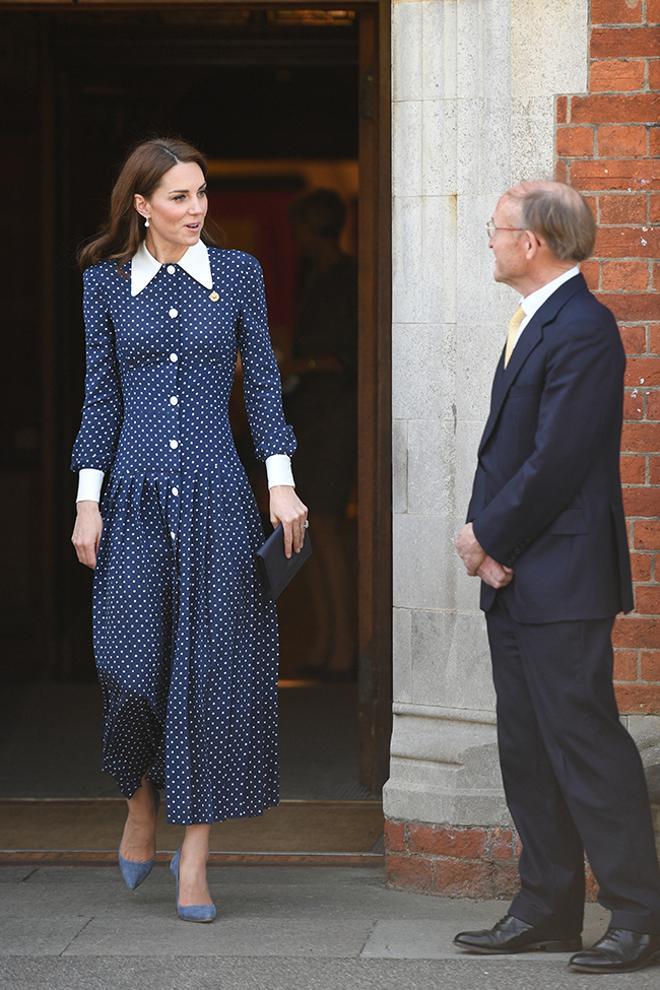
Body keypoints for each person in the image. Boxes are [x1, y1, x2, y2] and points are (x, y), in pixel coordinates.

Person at [70, 137, 307, 923]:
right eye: (177, 197)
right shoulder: (104, 285)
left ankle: (195, 859)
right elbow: (101, 397)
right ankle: (140, 801)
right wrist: (86, 499)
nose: (196, 208)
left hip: (219, 499)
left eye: (201, 193)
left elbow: (266, 387)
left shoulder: (237, 274)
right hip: (132, 500)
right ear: (142, 206)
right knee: (127, 671)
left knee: (211, 677)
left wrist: (282, 485)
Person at [453, 180, 660, 974]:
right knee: (527, 745)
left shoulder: (584, 327)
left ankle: (639, 914)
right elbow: (510, 452)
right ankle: (546, 907)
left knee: (586, 744)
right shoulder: (534, 320)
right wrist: (492, 547)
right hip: (519, 572)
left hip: (562, 572)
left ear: (533, 241)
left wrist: (486, 536)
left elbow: (558, 460)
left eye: (498, 228)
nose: (491, 239)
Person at [283, 189, 358, 678]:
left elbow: (344, 358)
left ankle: (344, 649)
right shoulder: (315, 275)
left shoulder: (347, 277)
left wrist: (297, 363)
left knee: (324, 525)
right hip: (311, 414)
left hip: (333, 414)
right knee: (313, 529)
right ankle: (328, 642)